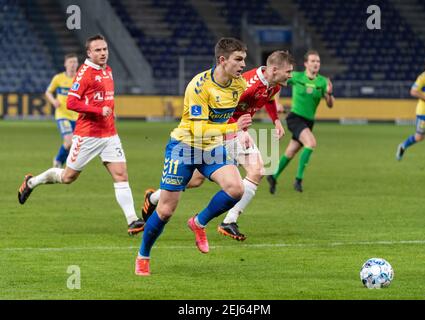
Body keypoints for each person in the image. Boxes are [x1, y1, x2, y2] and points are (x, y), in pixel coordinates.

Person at [141, 50, 295, 241]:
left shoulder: (274, 85)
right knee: (201, 179)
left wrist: (276, 121)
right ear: (273, 70)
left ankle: (228, 220)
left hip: (236, 131)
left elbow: (270, 99)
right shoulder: (247, 84)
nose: (290, 75)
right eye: (288, 71)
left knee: (252, 171)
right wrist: (239, 132)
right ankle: (158, 199)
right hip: (224, 131)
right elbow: (224, 108)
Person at [135, 37, 251, 276]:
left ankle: (198, 223)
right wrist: (234, 129)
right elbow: (198, 130)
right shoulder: (198, 86)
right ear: (222, 60)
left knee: (236, 188)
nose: (242, 65)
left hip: (211, 147)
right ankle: (143, 255)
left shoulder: (238, 85)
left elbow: (240, 107)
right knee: (166, 211)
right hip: (184, 146)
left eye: (244, 60)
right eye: (238, 59)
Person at [18, 34, 145, 236]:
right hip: (88, 135)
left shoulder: (108, 70)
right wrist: (98, 111)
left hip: (110, 134)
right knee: (68, 177)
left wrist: (110, 111)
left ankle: (132, 221)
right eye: (98, 50)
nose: (103, 53)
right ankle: (32, 182)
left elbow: (105, 98)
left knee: (121, 175)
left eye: (105, 49)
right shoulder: (84, 74)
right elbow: (71, 102)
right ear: (89, 53)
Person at [267, 50, 334, 193]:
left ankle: (273, 176)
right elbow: (278, 83)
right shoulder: (296, 76)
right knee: (311, 143)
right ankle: (298, 180)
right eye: (313, 61)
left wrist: (328, 93)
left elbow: (330, 104)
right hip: (295, 118)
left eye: (318, 61)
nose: (316, 64)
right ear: (306, 63)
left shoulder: (322, 81)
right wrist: (277, 103)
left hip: (309, 121)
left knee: (290, 152)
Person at [45, 53, 79, 168]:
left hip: (78, 117)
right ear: (65, 64)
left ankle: (62, 163)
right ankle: (58, 161)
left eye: (75, 62)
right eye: (70, 62)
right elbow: (48, 92)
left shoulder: (81, 79)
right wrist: (53, 101)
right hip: (62, 115)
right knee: (69, 141)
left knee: (74, 145)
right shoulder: (58, 78)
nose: (73, 65)